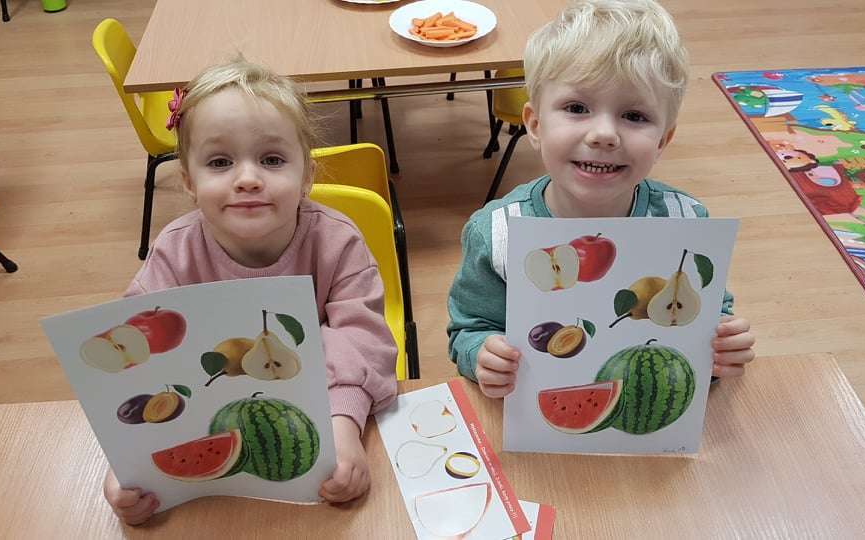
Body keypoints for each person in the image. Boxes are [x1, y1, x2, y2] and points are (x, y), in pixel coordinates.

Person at [103, 59, 398, 524]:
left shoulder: (337, 240)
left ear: (307, 175)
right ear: (188, 181)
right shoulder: (174, 252)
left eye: (272, 160)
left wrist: (343, 423)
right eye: (220, 162)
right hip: (206, 434)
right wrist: (130, 461)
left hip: (314, 420)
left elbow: (360, 339)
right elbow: (138, 359)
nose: (247, 178)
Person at [448, 0, 756, 399]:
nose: (604, 134)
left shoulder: (686, 220)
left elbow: (707, 314)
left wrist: (721, 346)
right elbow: (469, 328)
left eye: (634, 116)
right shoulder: (496, 232)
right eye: (577, 108)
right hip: (532, 411)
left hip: (649, 406)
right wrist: (480, 355)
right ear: (535, 125)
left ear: (663, 140)